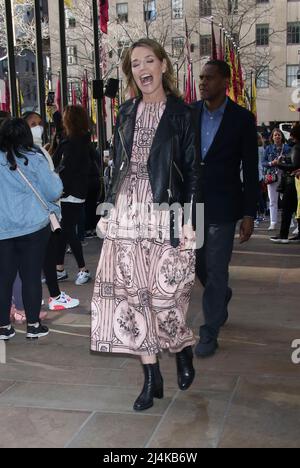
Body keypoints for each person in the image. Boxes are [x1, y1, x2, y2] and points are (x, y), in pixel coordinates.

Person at [91, 38, 201, 412]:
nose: (142, 69)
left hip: (164, 211)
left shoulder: (183, 115)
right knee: (133, 295)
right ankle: (151, 376)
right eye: (135, 64)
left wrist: (190, 220)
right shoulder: (124, 112)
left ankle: (182, 346)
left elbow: (192, 171)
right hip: (126, 210)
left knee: (167, 295)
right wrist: (107, 210)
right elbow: (117, 165)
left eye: (148, 60)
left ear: (164, 65)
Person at [193, 60, 258, 357]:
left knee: (217, 269)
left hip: (224, 205)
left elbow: (250, 167)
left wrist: (249, 213)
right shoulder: (188, 114)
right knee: (198, 264)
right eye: (201, 78)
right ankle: (222, 296)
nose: (203, 83)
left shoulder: (242, 119)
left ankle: (209, 331)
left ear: (225, 82)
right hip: (192, 205)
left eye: (209, 78)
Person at [0, 118, 63, 340]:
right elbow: (54, 191)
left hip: (3, 229)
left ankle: (4, 328)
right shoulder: (34, 159)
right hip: (33, 228)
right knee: (31, 277)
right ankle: (34, 326)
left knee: (4, 278)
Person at [22, 112, 80, 311]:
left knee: (42, 257)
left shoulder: (36, 150)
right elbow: (49, 186)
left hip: (38, 213)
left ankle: (44, 296)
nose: (38, 127)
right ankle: (47, 296)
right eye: (32, 124)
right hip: (40, 213)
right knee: (38, 257)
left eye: (39, 123)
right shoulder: (33, 153)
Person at [53, 105, 91, 286]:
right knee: (63, 232)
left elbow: (66, 169)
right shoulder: (82, 140)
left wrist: (60, 190)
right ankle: (59, 269)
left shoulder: (72, 143)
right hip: (75, 192)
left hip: (69, 193)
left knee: (67, 231)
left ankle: (83, 269)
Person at [270, 124, 300, 243]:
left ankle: (283, 235)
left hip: (292, 182)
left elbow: (294, 166)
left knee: (287, 209)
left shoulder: (296, 148)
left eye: (292, 135)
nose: (290, 137)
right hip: (295, 182)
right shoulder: (295, 147)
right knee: (296, 210)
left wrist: (279, 164)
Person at [262, 129, 290, 231]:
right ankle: (273, 222)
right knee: (272, 200)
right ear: (272, 137)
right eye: (275, 135)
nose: (277, 137)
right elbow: (263, 162)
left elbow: (292, 160)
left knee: (288, 200)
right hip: (272, 177)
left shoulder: (287, 148)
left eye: (279, 135)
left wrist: (284, 161)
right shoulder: (268, 148)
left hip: (285, 175)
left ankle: (291, 222)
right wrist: (271, 163)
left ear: (282, 136)